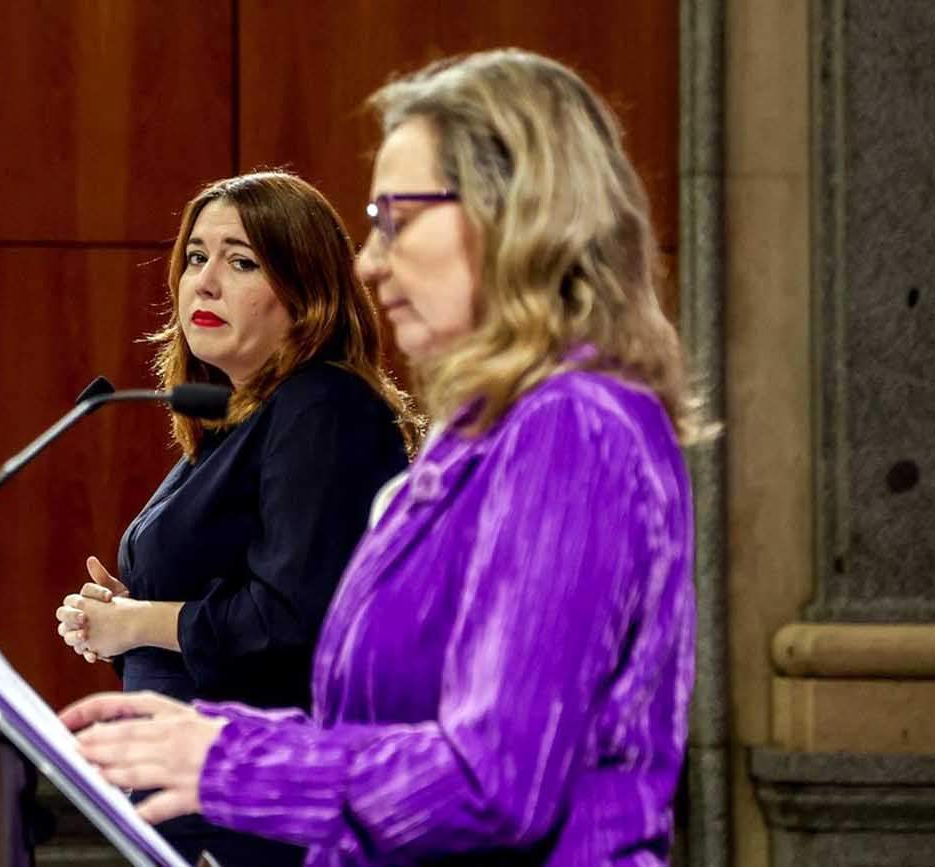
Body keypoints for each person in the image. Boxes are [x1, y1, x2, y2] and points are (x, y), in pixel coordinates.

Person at [59, 48, 709, 866]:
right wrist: (202, 731)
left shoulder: (575, 427)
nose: (367, 261)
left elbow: (492, 781)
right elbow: (380, 727)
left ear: (516, 215)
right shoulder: (488, 435)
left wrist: (229, 762)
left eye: (399, 219)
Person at [54, 171, 416, 866]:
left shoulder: (323, 409)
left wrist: (137, 623)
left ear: (305, 293)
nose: (205, 281)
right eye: (195, 257)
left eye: (241, 261)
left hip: (260, 813)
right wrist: (130, 620)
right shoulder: (238, 417)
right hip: (197, 801)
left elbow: (293, 618)